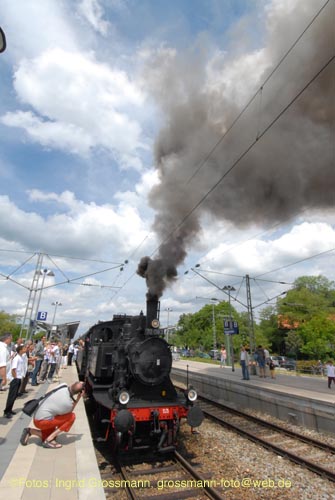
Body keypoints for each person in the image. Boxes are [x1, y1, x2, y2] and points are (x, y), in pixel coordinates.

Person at [20, 381, 85, 448]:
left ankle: (30, 431)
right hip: (41, 422)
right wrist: (78, 399)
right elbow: (69, 412)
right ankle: (48, 440)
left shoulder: (63, 385)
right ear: (79, 392)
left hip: (37, 416)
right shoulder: (67, 403)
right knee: (72, 416)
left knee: (50, 433)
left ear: (72, 384)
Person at [3, 344, 27, 418]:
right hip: (15, 379)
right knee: (12, 395)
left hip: (19, 378)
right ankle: (7, 411)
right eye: (24, 348)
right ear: (20, 350)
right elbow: (13, 369)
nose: (25, 349)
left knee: (14, 396)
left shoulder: (21, 357)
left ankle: (10, 409)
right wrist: (15, 377)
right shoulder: (17, 358)